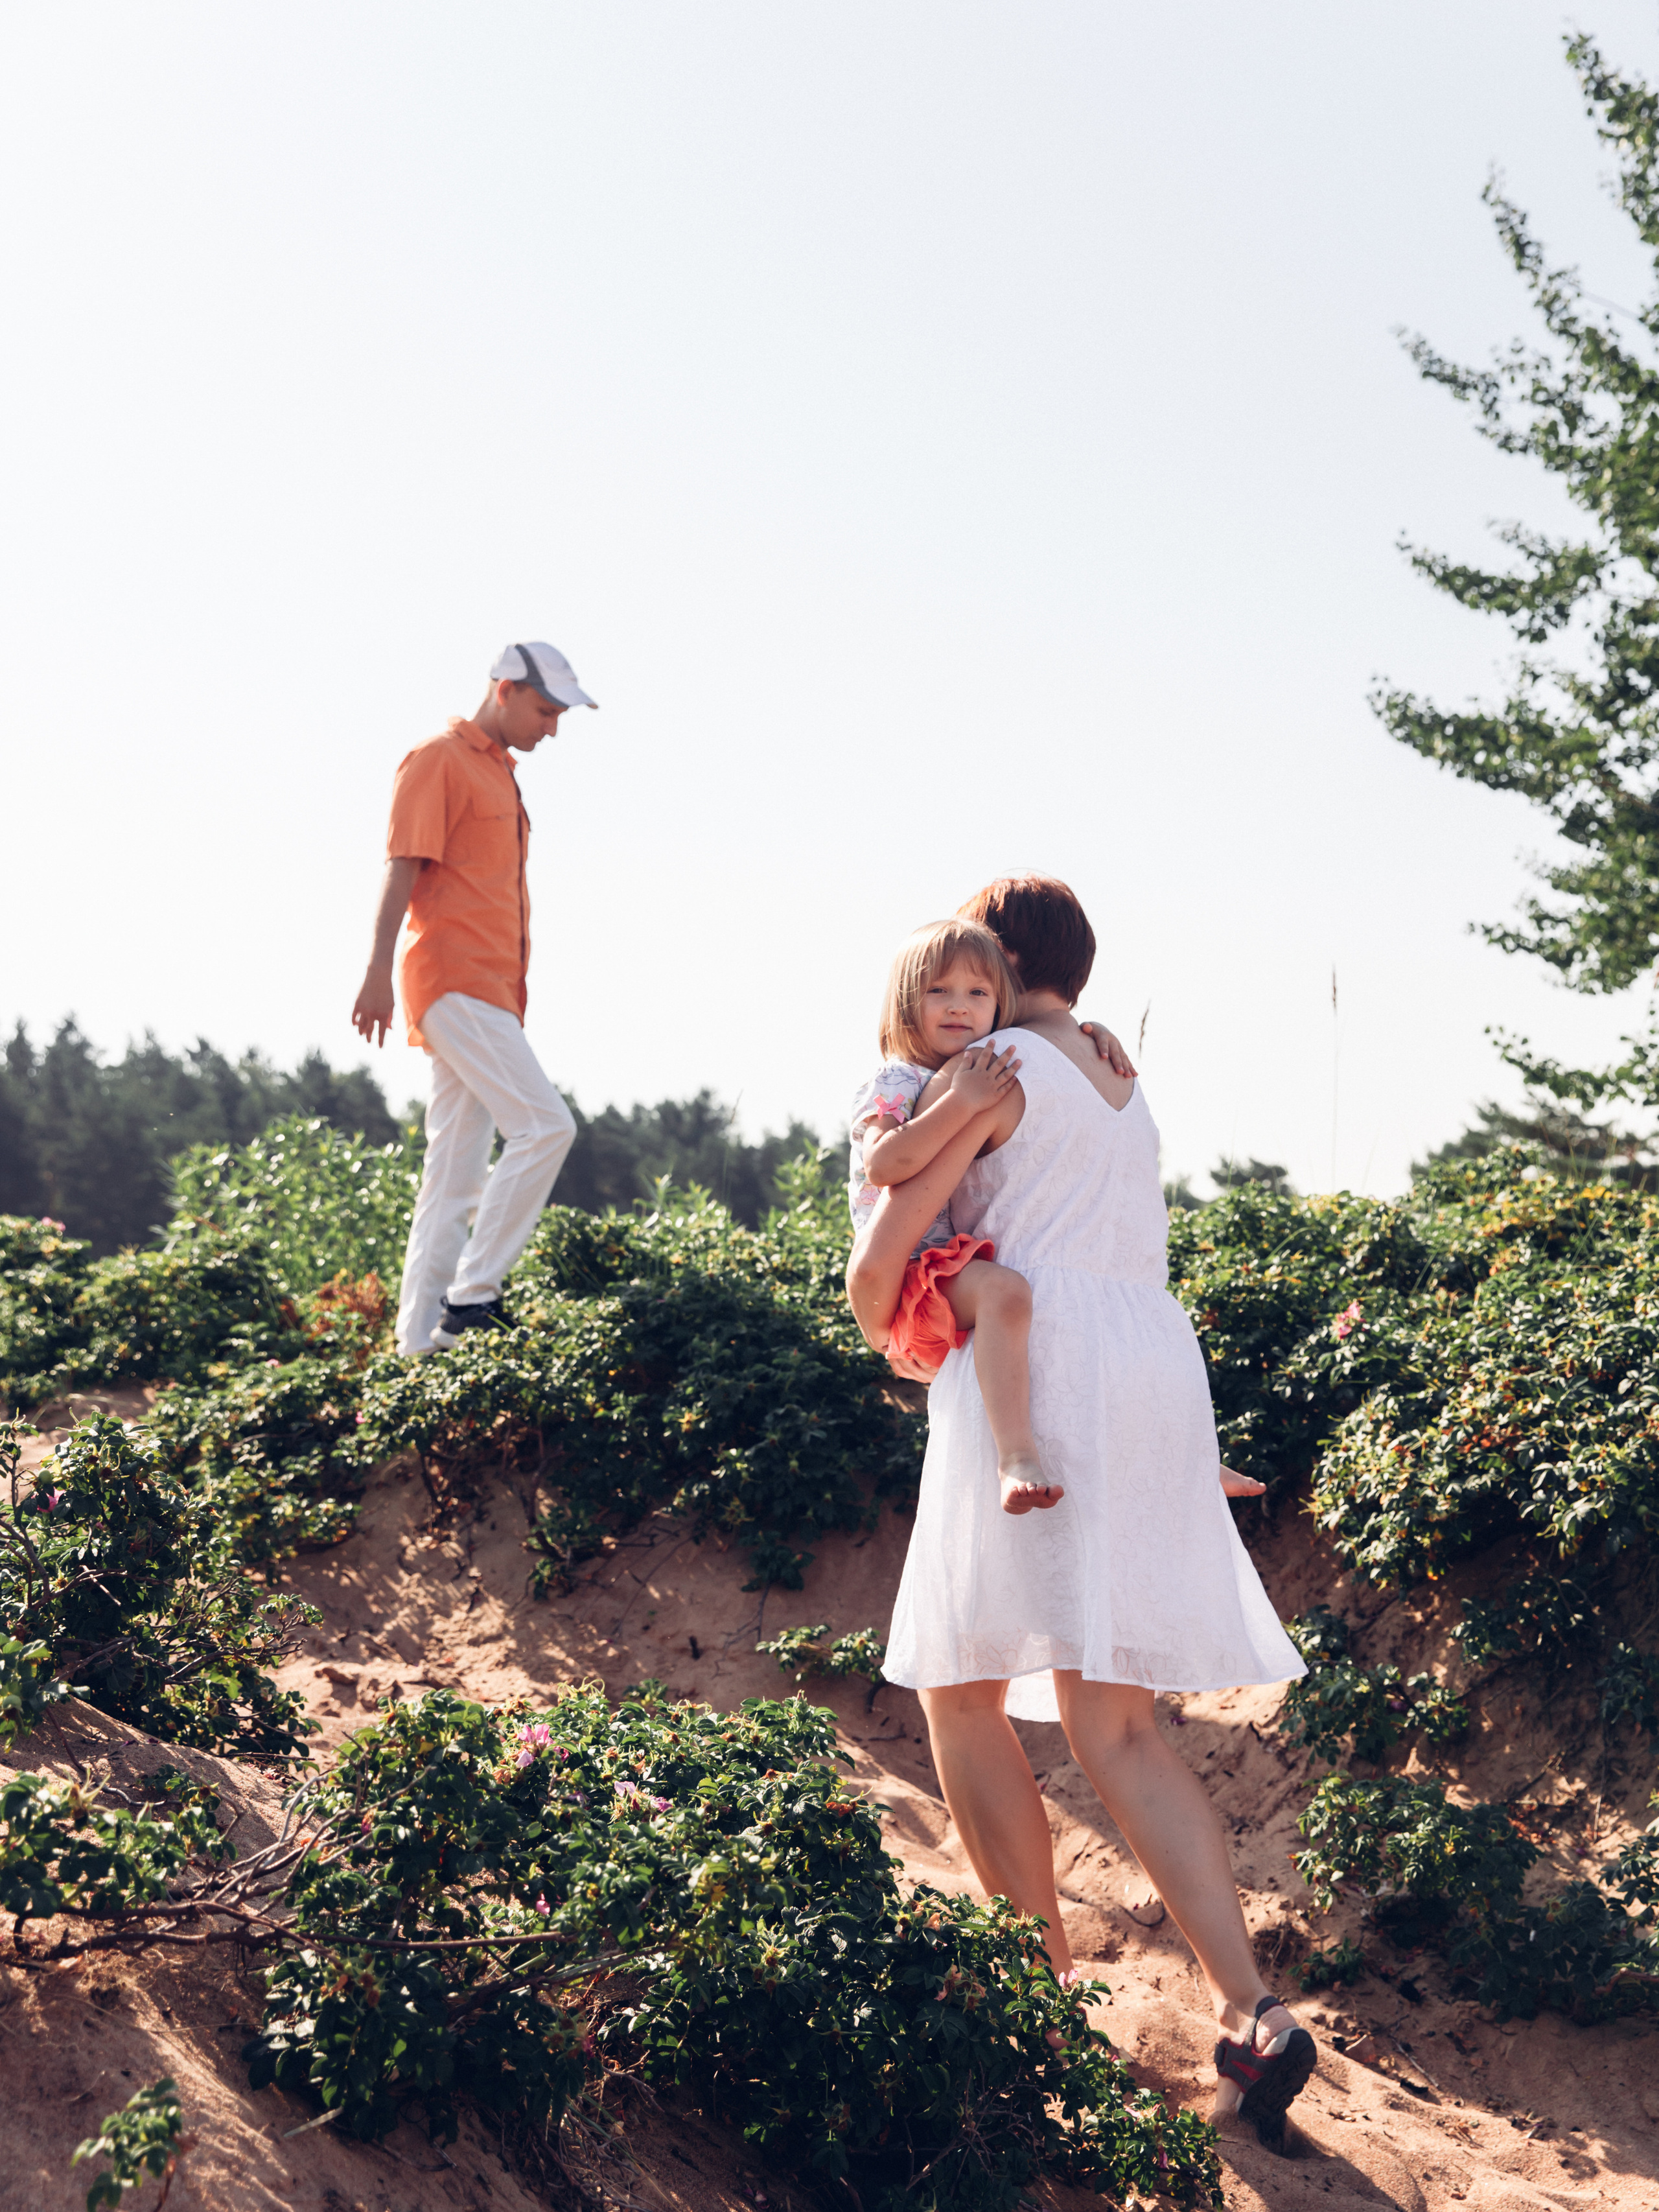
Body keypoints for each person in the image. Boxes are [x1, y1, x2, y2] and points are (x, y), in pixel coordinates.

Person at [848, 873, 1314, 2151]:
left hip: (1036, 1360)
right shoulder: (1119, 1075)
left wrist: (883, 1311)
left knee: (959, 1687)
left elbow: (882, 1237)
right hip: (1149, 1364)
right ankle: (1250, 2008)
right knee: (1118, 1724)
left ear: (992, 963)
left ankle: (1033, 1996)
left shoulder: (984, 1059)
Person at [351, 641, 596, 1356]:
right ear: (503, 688)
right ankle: (471, 1297)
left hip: (493, 991)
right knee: (547, 1127)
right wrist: (373, 971)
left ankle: (414, 1348)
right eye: (545, 710)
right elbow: (402, 869)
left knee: (450, 1180)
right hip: (453, 982)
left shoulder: (502, 777)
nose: (551, 727)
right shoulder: (438, 759)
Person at [850, 918, 1060, 1514]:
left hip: (941, 1262)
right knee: (1007, 1294)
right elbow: (886, 1164)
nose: (958, 1007)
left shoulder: (986, 1060)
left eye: (977, 993)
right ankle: (1016, 1457)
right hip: (913, 1269)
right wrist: (963, 1102)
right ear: (906, 1002)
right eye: (938, 990)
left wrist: (1096, 1033)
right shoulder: (895, 1078)